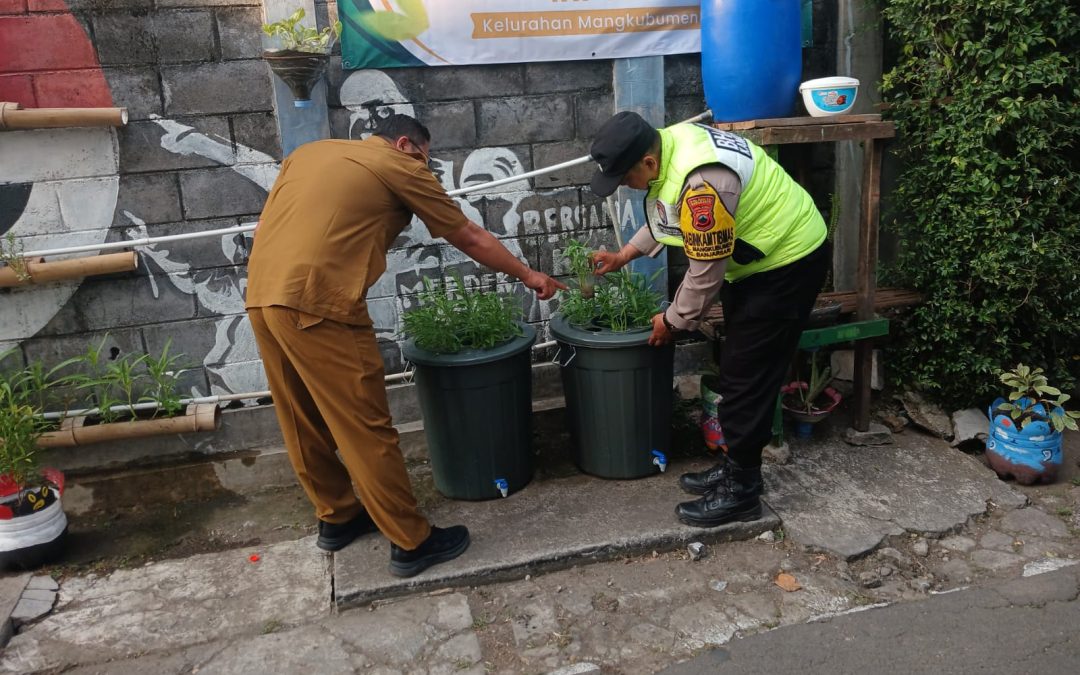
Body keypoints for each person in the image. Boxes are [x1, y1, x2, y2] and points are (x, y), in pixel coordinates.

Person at [245, 114, 565, 577]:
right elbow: (468, 235)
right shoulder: (402, 165)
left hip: (262, 296)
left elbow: (268, 228)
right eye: (426, 158)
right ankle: (411, 542)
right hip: (319, 304)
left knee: (299, 417)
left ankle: (337, 517)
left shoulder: (309, 154)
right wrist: (529, 275)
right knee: (365, 427)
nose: (427, 168)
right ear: (406, 145)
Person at [588, 111, 830, 528]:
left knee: (745, 378)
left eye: (624, 178)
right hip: (757, 263)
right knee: (739, 368)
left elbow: (705, 271)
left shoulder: (703, 182)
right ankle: (736, 464)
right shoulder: (671, 146)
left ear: (647, 162)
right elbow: (668, 211)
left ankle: (742, 492)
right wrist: (625, 253)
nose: (624, 187)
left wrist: (673, 320)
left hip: (787, 262)